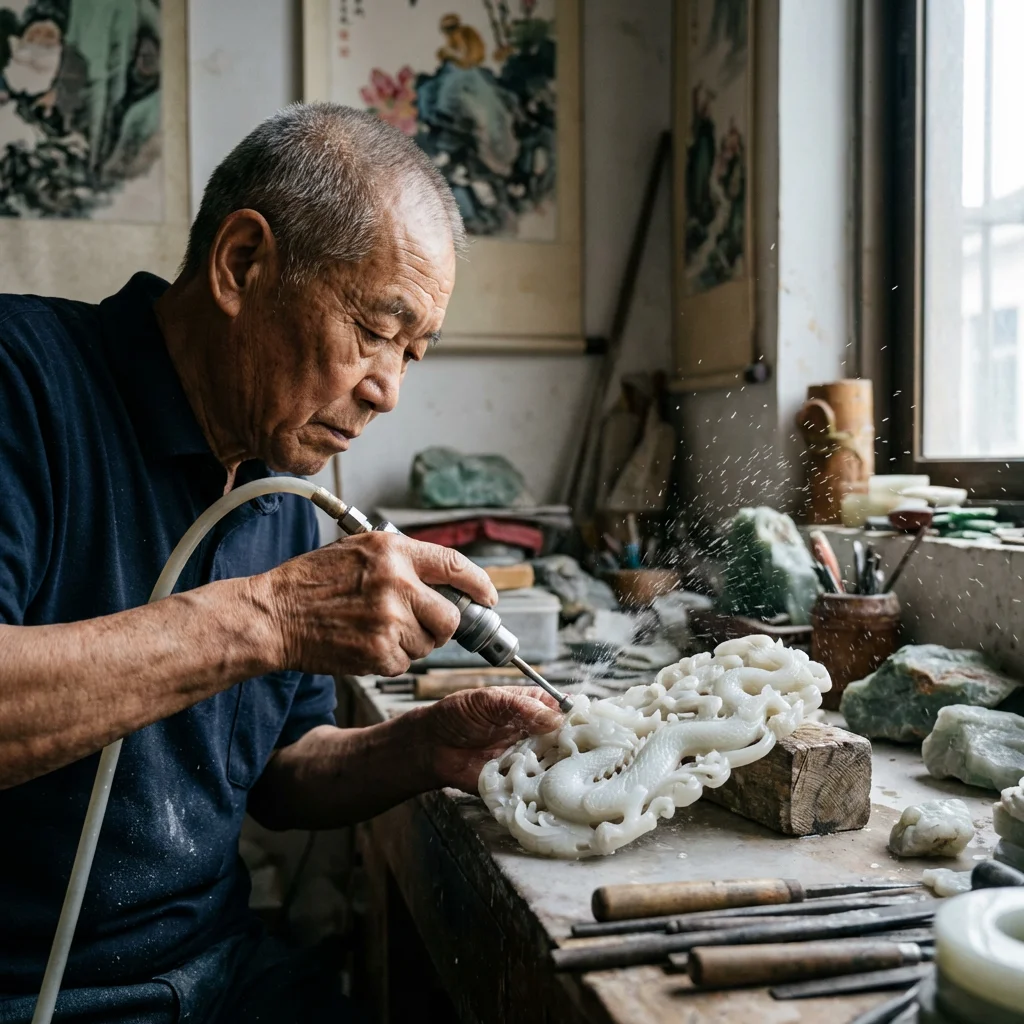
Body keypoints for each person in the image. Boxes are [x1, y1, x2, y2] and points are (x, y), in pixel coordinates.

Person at [0, 102, 561, 1024]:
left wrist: (424, 747)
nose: (388, 389)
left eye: (413, 353)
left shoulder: (288, 491)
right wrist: (271, 619)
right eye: (376, 331)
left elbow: (281, 772)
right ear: (242, 265)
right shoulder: (22, 383)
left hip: (215, 968)